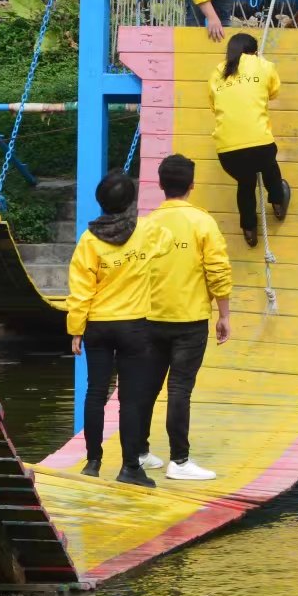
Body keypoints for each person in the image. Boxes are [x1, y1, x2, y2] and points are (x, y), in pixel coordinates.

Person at [65, 169, 166, 487]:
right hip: (134, 325)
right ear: (131, 200)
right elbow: (166, 247)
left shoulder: (89, 240)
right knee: (131, 398)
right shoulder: (146, 230)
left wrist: (76, 329)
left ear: (100, 201)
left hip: (97, 325)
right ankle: (130, 467)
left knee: (95, 392)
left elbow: (81, 289)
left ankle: (93, 462)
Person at [138, 153, 233, 481]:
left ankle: (139, 452)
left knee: (146, 387)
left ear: (160, 184)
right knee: (179, 389)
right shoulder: (203, 222)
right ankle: (179, 461)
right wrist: (224, 314)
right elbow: (218, 270)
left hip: (149, 317)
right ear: (192, 185)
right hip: (189, 320)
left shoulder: (147, 224)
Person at [209, 33, 289, 248]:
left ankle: (249, 230)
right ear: (255, 51)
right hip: (259, 145)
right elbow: (274, 92)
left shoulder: (218, 71)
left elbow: (214, 106)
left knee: (245, 183)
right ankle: (278, 201)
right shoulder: (262, 64)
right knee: (270, 166)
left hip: (227, 152)